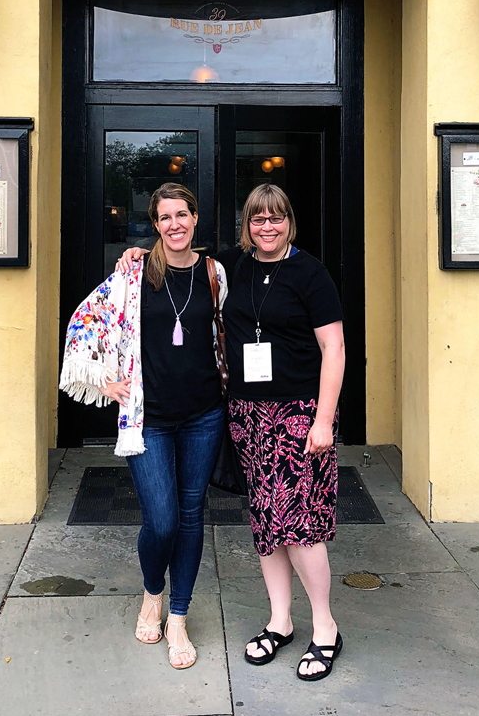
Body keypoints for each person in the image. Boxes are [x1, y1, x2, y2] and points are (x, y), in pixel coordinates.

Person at [118, 183, 345, 681]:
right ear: (246, 225)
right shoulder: (232, 267)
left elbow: (334, 348)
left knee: (301, 527)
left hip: (299, 416)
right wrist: (135, 250)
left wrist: (324, 420)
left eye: (277, 218)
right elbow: (174, 260)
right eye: (258, 219)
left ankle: (325, 629)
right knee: (266, 526)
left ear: (289, 222)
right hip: (249, 416)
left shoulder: (311, 273)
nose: (268, 227)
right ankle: (280, 621)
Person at [59, 183, 228, 670]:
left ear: (196, 219)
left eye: (183, 214)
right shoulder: (133, 273)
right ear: (154, 225)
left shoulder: (215, 273)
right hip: (148, 420)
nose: (175, 224)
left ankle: (177, 615)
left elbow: (225, 337)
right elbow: (85, 320)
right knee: (162, 520)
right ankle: (153, 592)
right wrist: (101, 374)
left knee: (192, 516)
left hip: (204, 414)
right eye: (165, 217)